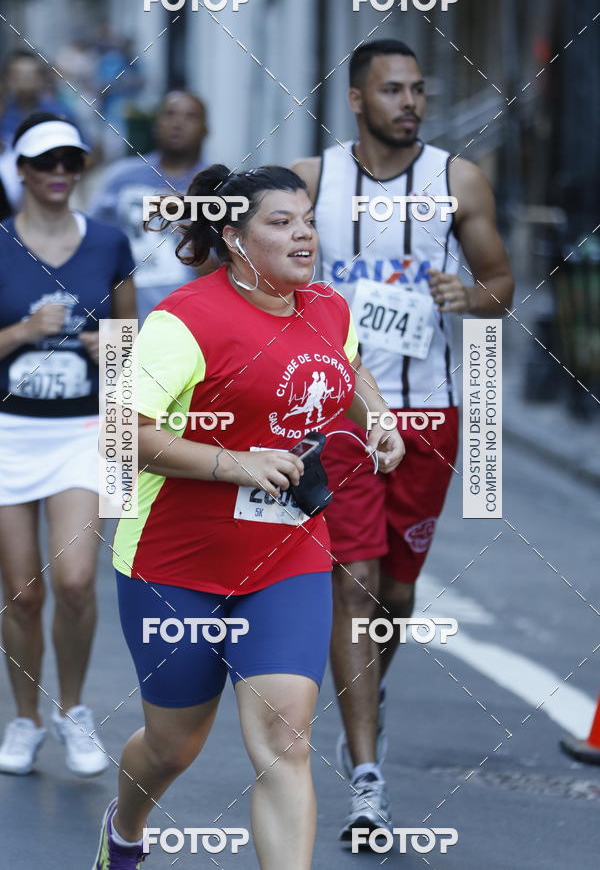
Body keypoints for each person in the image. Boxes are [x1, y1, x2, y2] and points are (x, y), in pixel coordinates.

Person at [91, 164, 405, 869]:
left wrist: (379, 420)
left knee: (286, 739)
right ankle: (127, 827)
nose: (303, 234)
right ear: (234, 237)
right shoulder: (185, 322)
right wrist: (234, 461)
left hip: (285, 556)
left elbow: (345, 371)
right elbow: (118, 431)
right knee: (174, 746)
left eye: (306, 220)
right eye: (280, 222)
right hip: (175, 563)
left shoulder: (328, 308)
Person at [292, 38, 515, 839]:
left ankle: (365, 691)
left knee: (396, 594)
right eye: (392, 90)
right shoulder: (311, 182)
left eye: (418, 89)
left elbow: (502, 281)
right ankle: (367, 774)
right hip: (341, 417)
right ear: (357, 100)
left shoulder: (459, 180)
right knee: (353, 587)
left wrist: (470, 293)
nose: (410, 102)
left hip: (429, 416)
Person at [0, 112, 137, 776]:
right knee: (23, 592)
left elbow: (136, 341)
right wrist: (21, 335)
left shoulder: (108, 243)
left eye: (71, 162)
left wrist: (109, 346)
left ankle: (73, 709)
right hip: (9, 432)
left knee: (78, 580)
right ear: (21, 170)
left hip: (86, 428)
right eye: (46, 162)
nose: (59, 173)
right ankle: (24, 718)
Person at [89, 90, 211, 323]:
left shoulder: (219, 187)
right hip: (118, 317)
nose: (178, 123)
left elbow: (228, 269)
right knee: (113, 360)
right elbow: (93, 243)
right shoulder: (120, 177)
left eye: (190, 116)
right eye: (170, 114)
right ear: (156, 124)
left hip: (189, 323)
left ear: (205, 129)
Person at [0, 51, 78, 147]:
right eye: (18, 76)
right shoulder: (3, 113)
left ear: (42, 78)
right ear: (7, 79)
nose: (24, 81)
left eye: (30, 75)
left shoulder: (59, 112)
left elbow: (86, 152)